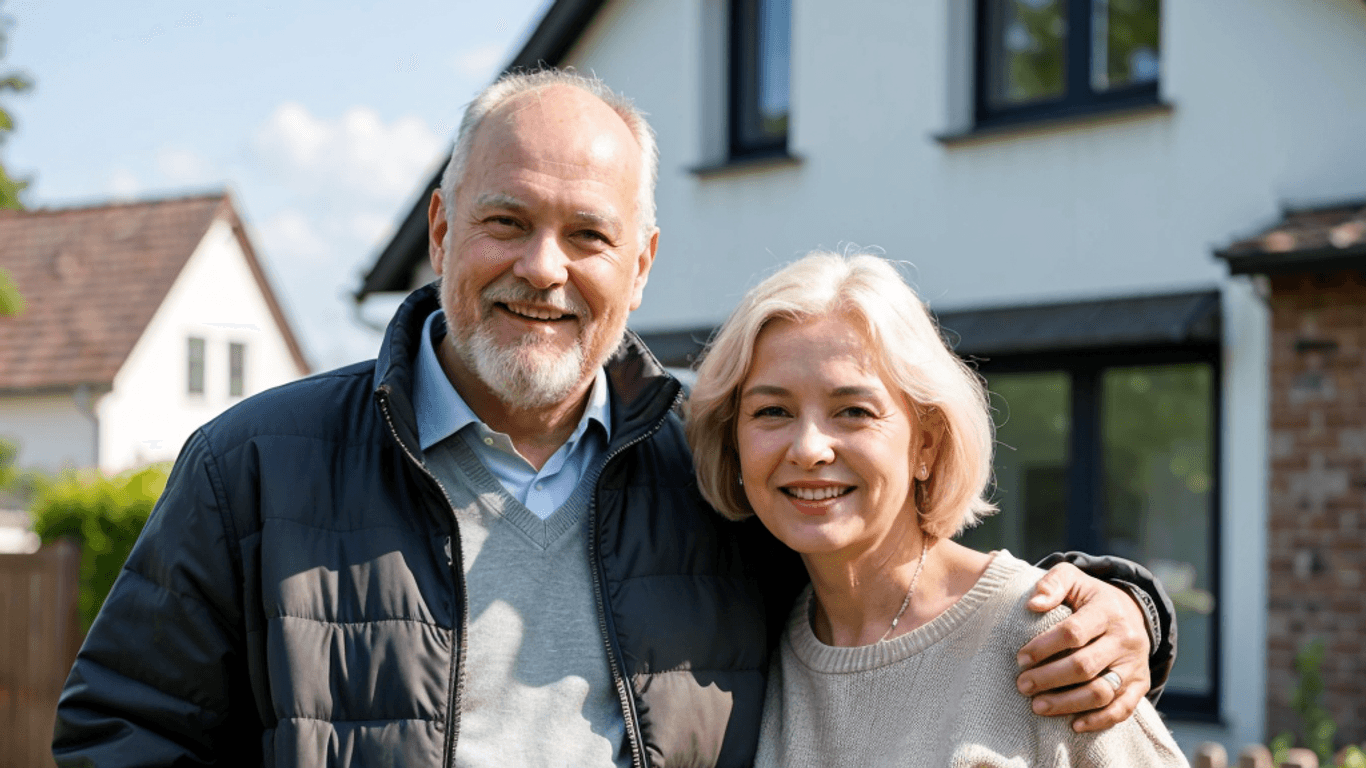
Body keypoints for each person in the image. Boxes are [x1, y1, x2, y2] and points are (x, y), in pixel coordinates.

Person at [53, 70, 1173, 767]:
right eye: (506, 221)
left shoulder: (716, 460)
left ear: (639, 266)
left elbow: (887, 569)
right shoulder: (252, 466)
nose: (543, 271)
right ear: (441, 232)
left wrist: (1118, 606)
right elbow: (122, 731)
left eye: (587, 236)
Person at [686, 251, 1189, 767]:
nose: (809, 447)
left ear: (925, 445)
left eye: (854, 411)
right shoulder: (746, 652)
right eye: (772, 411)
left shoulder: (1051, 643)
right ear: (734, 442)